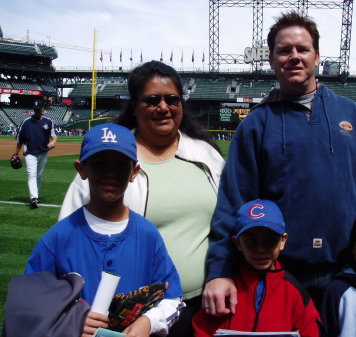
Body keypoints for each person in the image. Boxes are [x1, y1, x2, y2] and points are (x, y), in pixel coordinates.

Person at [203, 11, 356, 315]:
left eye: (302, 49)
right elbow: (234, 203)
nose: (294, 57)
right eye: (284, 50)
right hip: (278, 275)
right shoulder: (255, 124)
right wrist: (220, 269)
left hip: (349, 272)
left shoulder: (352, 115)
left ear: (317, 56)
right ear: (272, 60)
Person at [59, 61, 225, 337]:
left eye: (172, 99)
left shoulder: (206, 155)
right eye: (152, 100)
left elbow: (227, 223)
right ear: (134, 107)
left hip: (201, 305)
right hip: (129, 314)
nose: (163, 107)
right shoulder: (109, 160)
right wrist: (76, 305)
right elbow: (68, 238)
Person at [25, 123, 184, 337]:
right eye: (100, 164)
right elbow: (30, 304)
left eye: (120, 165)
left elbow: (172, 297)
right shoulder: (58, 238)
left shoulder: (148, 235)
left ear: (134, 171)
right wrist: (66, 321)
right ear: (82, 169)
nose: (110, 173)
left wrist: (149, 321)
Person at [192, 199, 322, 337]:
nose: (260, 249)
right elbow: (202, 329)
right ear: (238, 243)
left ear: (283, 241)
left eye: (271, 240)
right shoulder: (225, 289)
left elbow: (311, 330)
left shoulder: (294, 291)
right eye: (251, 241)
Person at [15, 100, 57, 209]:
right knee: (31, 174)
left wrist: (53, 142)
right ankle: (33, 198)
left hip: (43, 152)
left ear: (43, 109)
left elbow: (54, 136)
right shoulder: (26, 122)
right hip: (30, 153)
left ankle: (35, 196)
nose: (38, 111)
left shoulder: (48, 121)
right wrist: (16, 153)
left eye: (39, 109)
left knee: (38, 176)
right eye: (36, 110)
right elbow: (20, 139)